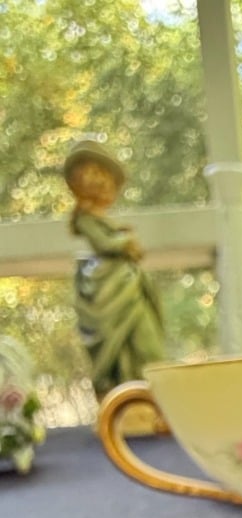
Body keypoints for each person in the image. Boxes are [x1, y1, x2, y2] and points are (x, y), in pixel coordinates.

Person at [63, 139, 165, 397]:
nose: (98, 180)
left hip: (126, 282)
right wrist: (125, 242)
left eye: (102, 174)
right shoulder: (84, 217)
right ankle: (123, 392)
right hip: (109, 285)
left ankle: (147, 391)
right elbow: (102, 243)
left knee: (147, 345)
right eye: (90, 173)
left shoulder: (102, 217)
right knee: (119, 343)